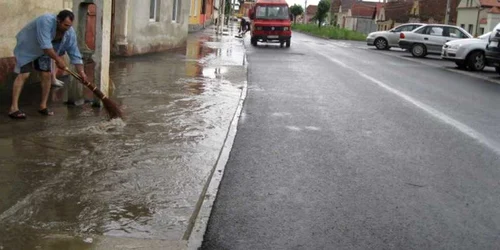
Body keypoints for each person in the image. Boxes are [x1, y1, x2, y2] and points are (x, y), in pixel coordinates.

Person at [8, 10, 87, 119]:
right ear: (58, 20)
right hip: (28, 47)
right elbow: (45, 45)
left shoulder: (70, 32)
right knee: (24, 74)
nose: (67, 28)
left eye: (69, 26)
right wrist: (58, 60)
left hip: (47, 50)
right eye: (65, 25)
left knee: (46, 75)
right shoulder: (45, 20)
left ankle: (43, 106)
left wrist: (81, 73)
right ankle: (14, 108)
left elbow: (75, 53)